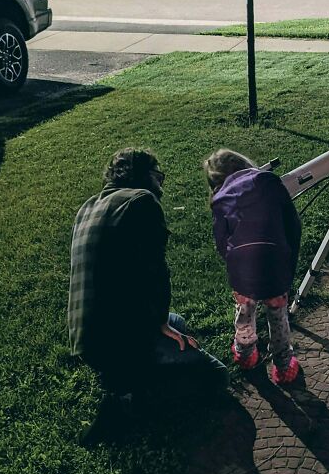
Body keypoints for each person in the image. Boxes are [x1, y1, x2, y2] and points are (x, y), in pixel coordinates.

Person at [68, 147, 227, 440]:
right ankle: (134, 398)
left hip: (89, 340)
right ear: (144, 176)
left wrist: (162, 321)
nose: (162, 183)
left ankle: (124, 380)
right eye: (159, 175)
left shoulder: (89, 206)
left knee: (177, 323)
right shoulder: (142, 202)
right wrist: (158, 323)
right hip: (121, 339)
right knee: (216, 375)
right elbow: (153, 271)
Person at [204, 148, 302, 385]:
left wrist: (234, 268)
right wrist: (288, 265)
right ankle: (283, 366)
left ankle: (246, 354)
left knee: (245, 313)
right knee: (278, 316)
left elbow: (221, 241)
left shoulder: (220, 199)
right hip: (276, 265)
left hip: (243, 271)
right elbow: (293, 225)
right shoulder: (270, 183)